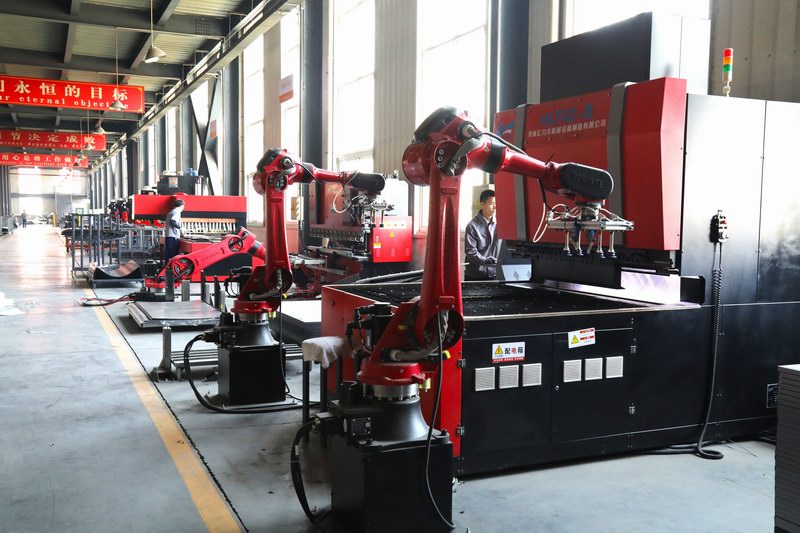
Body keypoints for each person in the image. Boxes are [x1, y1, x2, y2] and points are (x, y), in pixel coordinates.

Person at [464, 189, 501, 281]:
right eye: (492, 204)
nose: (495, 207)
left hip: (496, 274)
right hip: (476, 276)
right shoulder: (472, 226)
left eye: (496, 203)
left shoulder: (501, 224)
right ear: (482, 204)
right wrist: (484, 260)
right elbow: (471, 252)